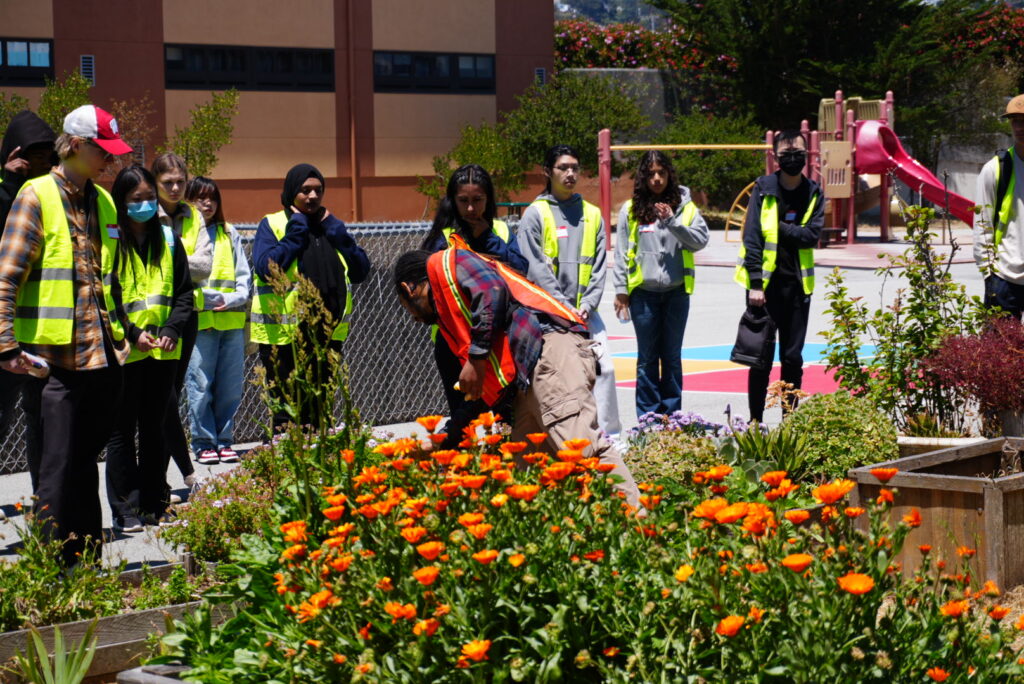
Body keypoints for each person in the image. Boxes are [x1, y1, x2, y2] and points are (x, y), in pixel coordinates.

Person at [393, 244, 640, 508]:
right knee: (530, 471)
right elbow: (482, 396)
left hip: (550, 353)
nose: (415, 319)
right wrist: (444, 438)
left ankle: (640, 530)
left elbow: (492, 291)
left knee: (584, 452)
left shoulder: (451, 262)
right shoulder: (458, 319)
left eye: (407, 308)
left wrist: (476, 358)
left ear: (409, 290)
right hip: (530, 376)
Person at [0, 104, 136, 565]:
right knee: (56, 470)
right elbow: (6, 277)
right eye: (104, 152)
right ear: (75, 146)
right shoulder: (35, 195)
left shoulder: (104, 201)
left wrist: (125, 335)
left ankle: (86, 566)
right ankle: (52, 574)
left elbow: (109, 278)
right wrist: (5, 346)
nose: (112, 162)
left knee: (83, 466)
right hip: (51, 361)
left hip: (101, 360)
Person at [105, 166, 194, 531]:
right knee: (122, 431)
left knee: (155, 428)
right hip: (127, 350)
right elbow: (109, 293)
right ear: (121, 202)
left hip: (163, 350)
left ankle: (155, 504)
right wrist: (132, 331)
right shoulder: (110, 239)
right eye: (136, 199)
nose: (144, 205)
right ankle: (125, 509)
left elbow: (185, 293)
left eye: (148, 198)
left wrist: (173, 328)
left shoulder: (170, 239)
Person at [517, 145, 623, 446]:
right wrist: (562, 309)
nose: (570, 173)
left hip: (586, 314)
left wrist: (587, 306)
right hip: (549, 318)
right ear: (548, 172)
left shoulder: (592, 215)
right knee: (562, 382)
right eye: (563, 167)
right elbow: (536, 270)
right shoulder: (535, 215)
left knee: (605, 372)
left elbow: (600, 267)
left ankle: (612, 445)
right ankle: (567, 445)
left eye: (575, 167)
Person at [251, 163, 370, 431]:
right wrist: (297, 231)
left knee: (319, 407)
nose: (312, 197)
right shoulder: (273, 224)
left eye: (318, 190)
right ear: (292, 191)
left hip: (327, 332)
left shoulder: (330, 227)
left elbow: (361, 271)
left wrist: (340, 235)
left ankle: (318, 463)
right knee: (286, 410)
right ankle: (283, 466)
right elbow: (265, 267)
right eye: (305, 190)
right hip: (285, 335)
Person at [421, 164, 527, 448]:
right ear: (452, 201)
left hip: (500, 340)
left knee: (506, 415)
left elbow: (520, 272)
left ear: (488, 200)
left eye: (477, 200)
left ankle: (506, 469)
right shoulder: (443, 237)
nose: (470, 209)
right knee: (463, 417)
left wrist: (488, 237)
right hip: (454, 343)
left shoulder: (502, 230)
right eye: (463, 201)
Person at [734, 129, 824, 423]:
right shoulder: (763, 188)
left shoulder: (813, 191)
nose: (793, 159)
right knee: (759, 359)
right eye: (787, 154)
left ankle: (789, 422)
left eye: (799, 153)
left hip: (798, 288)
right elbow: (753, 238)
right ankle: (755, 422)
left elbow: (811, 236)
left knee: (792, 359)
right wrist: (755, 284)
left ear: (807, 155)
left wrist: (781, 230)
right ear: (775, 157)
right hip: (765, 290)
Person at [612, 151, 709, 418]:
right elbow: (620, 253)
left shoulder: (685, 207)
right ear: (643, 177)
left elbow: (700, 240)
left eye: (661, 173)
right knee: (646, 359)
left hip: (676, 294)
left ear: (669, 175)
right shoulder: (631, 210)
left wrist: (672, 222)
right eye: (651, 173)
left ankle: (671, 416)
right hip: (644, 296)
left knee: (672, 358)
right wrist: (621, 291)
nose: (656, 179)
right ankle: (648, 419)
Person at [0, 110, 56, 489]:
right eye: (29, 158)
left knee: (44, 422)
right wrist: (8, 181)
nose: (35, 167)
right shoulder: (4, 188)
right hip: (4, 331)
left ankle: (46, 507)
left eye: (43, 159)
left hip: (41, 329)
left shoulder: (53, 194)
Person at [151, 153, 213, 474]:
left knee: (172, 397)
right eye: (168, 182)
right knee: (162, 401)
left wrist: (173, 259)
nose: (175, 188)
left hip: (186, 315)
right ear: (155, 183)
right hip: (154, 315)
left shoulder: (193, 215)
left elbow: (206, 266)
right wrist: (183, 260)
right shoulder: (147, 213)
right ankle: (159, 483)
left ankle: (159, 483)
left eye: (180, 182)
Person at [183, 177, 250, 464]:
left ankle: (224, 440)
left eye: (212, 198)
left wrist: (233, 299)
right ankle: (203, 442)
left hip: (231, 324)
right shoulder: (185, 234)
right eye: (199, 198)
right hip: (200, 324)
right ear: (189, 201)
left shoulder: (228, 233)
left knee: (230, 387)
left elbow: (244, 279)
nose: (207, 203)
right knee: (199, 385)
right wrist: (211, 298)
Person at [975, 93, 1024, 320]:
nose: (1019, 127)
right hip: (1004, 277)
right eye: (1015, 120)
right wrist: (989, 274)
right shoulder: (996, 169)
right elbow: (982, 223)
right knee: (1001, 352)